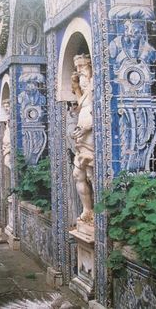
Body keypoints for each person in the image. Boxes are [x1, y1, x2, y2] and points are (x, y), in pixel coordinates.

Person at [70, 54, 94, 223]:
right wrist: (76, 87)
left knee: (92, 174)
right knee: (78, 174)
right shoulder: (86, 92)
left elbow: (99, 111)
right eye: (77, 68)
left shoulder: (95, 87)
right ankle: (87, 209)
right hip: (81, 138)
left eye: (82, 69)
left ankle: (97, 213)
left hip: (91, 137)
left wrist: (86, 127)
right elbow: (81, 105)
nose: (79, 72)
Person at [2, 98, 11, 169]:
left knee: (7, 162)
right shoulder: (7, 119)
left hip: (11, 145)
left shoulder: (12, 118)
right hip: (6, 145)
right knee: (6, 162)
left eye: (7, 106)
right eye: (4, 107)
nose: (6, 108)